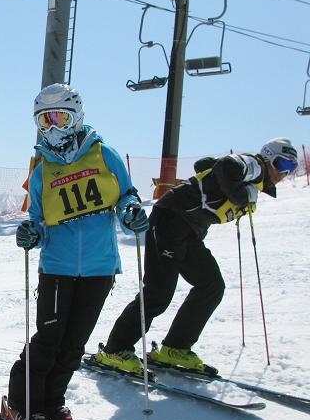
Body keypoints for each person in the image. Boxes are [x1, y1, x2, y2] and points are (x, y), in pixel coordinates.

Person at [1, 83, 148, 420]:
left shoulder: (103, 154)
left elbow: (126, 193)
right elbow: (37, 216)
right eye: (44, 121)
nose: (52, 128)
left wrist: (131, 210)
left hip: (99, 266)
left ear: (77, 117)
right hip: (57, 267)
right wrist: (30, 232)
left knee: (75, 342)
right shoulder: (41, 170)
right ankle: (21, 404)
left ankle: (52, 403)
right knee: (50, 339)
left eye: (59, 118)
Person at [96, 137, 299, 376]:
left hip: (188, 231)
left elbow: (208, 168)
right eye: (282, 164)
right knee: (158, 292)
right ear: (267, 158)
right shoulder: (253, 165)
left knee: (211, 285)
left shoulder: (254, 180)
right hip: (169, 221)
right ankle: (115, 350)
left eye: (291, 168)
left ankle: (176, 347)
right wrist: (236, 193)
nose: (284, 172)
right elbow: (227, 165)